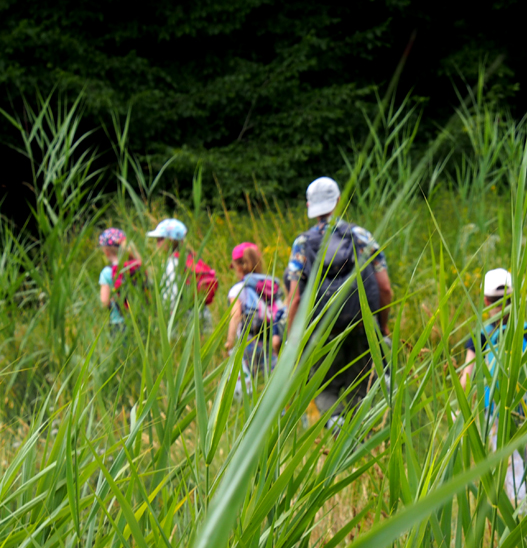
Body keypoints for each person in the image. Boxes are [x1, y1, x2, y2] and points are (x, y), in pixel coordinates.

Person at [283, 176, 393, 425]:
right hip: (361, 324)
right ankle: (357, 439)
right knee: (360, 385)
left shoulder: (302, 244)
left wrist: (294, 340)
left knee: (323, 387)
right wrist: (381, 324)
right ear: (339, 201)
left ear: (310, 206)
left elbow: (295, 298)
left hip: (322, 329)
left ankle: (336, 429)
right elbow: (385, 288)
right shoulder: (361, 236)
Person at [459, 267, 527, 510]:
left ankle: (522, 508)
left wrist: (460, 410)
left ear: (486, 301)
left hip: (495, 409)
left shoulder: (480, 335)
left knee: (510, 463)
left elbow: (467, 377)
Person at [225, 242, 285, 397]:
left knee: (246, 387)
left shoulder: (238, 289)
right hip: (270, 340)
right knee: (274, 383)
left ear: (239, 266)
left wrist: (230, 341)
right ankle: (280, 415)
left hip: (248, 343)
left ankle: (250, 415)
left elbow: (236, 314)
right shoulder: (272, 284)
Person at [147, 218, 218, 327]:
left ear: (169, 241)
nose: (157, 244)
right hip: (203, 313)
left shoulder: (172, 264)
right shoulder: (193, 258)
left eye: (160, 239)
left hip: (182, 318)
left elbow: (170, 296)